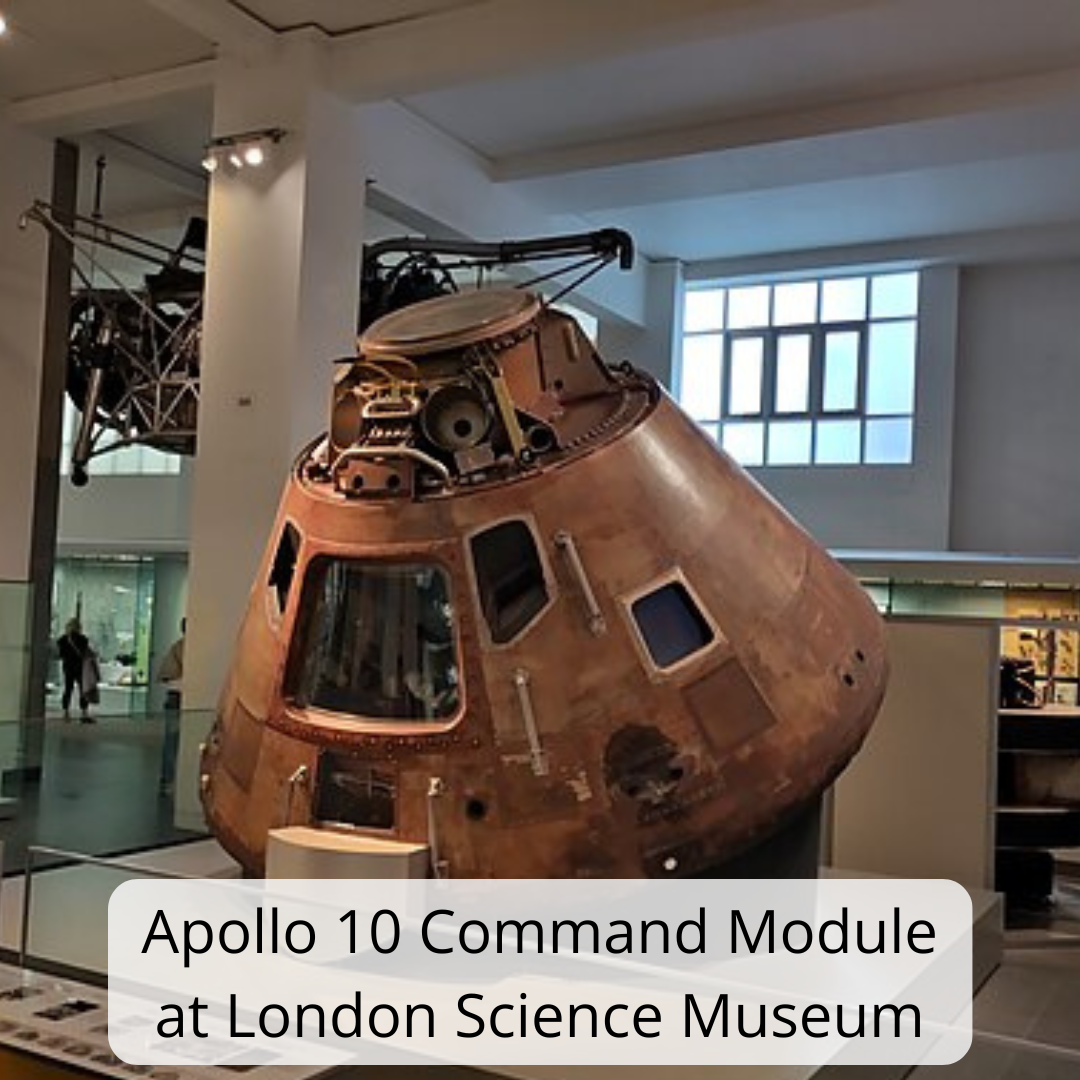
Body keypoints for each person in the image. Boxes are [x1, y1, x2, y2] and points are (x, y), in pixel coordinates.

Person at [57, 618, 97, 722]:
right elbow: (84, 653)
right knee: (82, 689)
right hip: (80, 667)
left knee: (68, 688)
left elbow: (61, 655)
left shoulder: (62, 640)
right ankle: (84, 711)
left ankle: (65, 711)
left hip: (68, 667)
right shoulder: (83, 639)